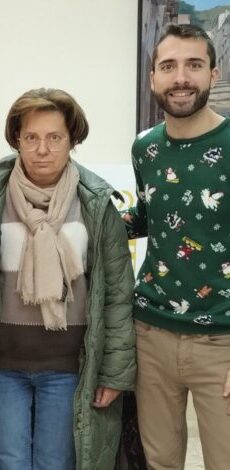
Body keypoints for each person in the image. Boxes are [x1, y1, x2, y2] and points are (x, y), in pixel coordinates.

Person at [0, 88, 135, 470]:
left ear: (72, 140)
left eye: (54, 138)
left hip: (69, 368)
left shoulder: (95, 203)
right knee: (7, 462)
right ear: (17, 138)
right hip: (3, 366)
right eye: (31, 137)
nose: (42, 149)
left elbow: (117, 294)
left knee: (56, 462)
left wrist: (113, 373)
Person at [124, 24, 230, 470]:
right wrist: (83, 215)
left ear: (214, 74)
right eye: (168, 66)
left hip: (221, 341)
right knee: (160, 462)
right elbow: (147, 218)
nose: (180, 77)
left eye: (193, 65)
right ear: (153, 78)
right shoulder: (145, 149)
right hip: (152, 333)